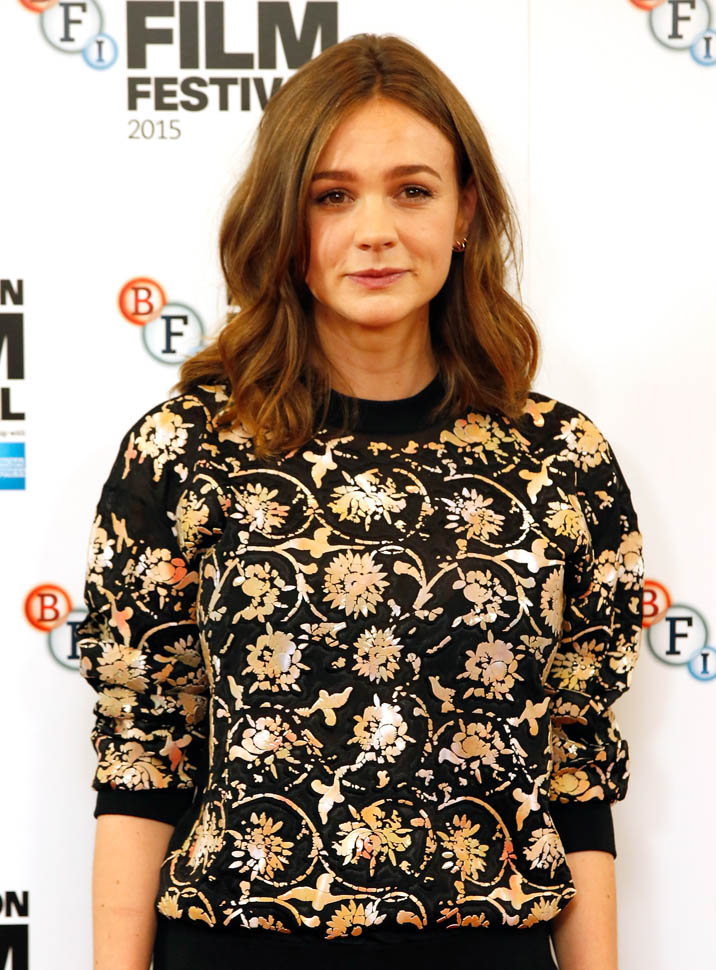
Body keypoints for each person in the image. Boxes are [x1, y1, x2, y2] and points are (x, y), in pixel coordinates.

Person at [77, 33, 644, 970]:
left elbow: (576, 768)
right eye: (332, 195)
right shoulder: (186, 451)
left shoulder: (561, 461)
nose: (375, 229)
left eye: (412, 190)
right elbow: (143, 756)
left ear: (465, 211)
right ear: (283, 221)